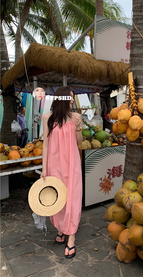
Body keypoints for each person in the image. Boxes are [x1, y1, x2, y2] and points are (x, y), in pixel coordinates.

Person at [41, 86, 83, 259]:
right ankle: (60, 228)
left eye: (73, 97)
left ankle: (71, 235)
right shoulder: (47, 118)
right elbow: (45, 144)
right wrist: (44, 168)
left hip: (72, 164)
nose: (72, 100)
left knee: (72, 198)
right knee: (58, 197)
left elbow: (79, 143)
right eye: (70, 97)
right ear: (61, 99)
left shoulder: (75, 117)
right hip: (55, 164)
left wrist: (79, 128)